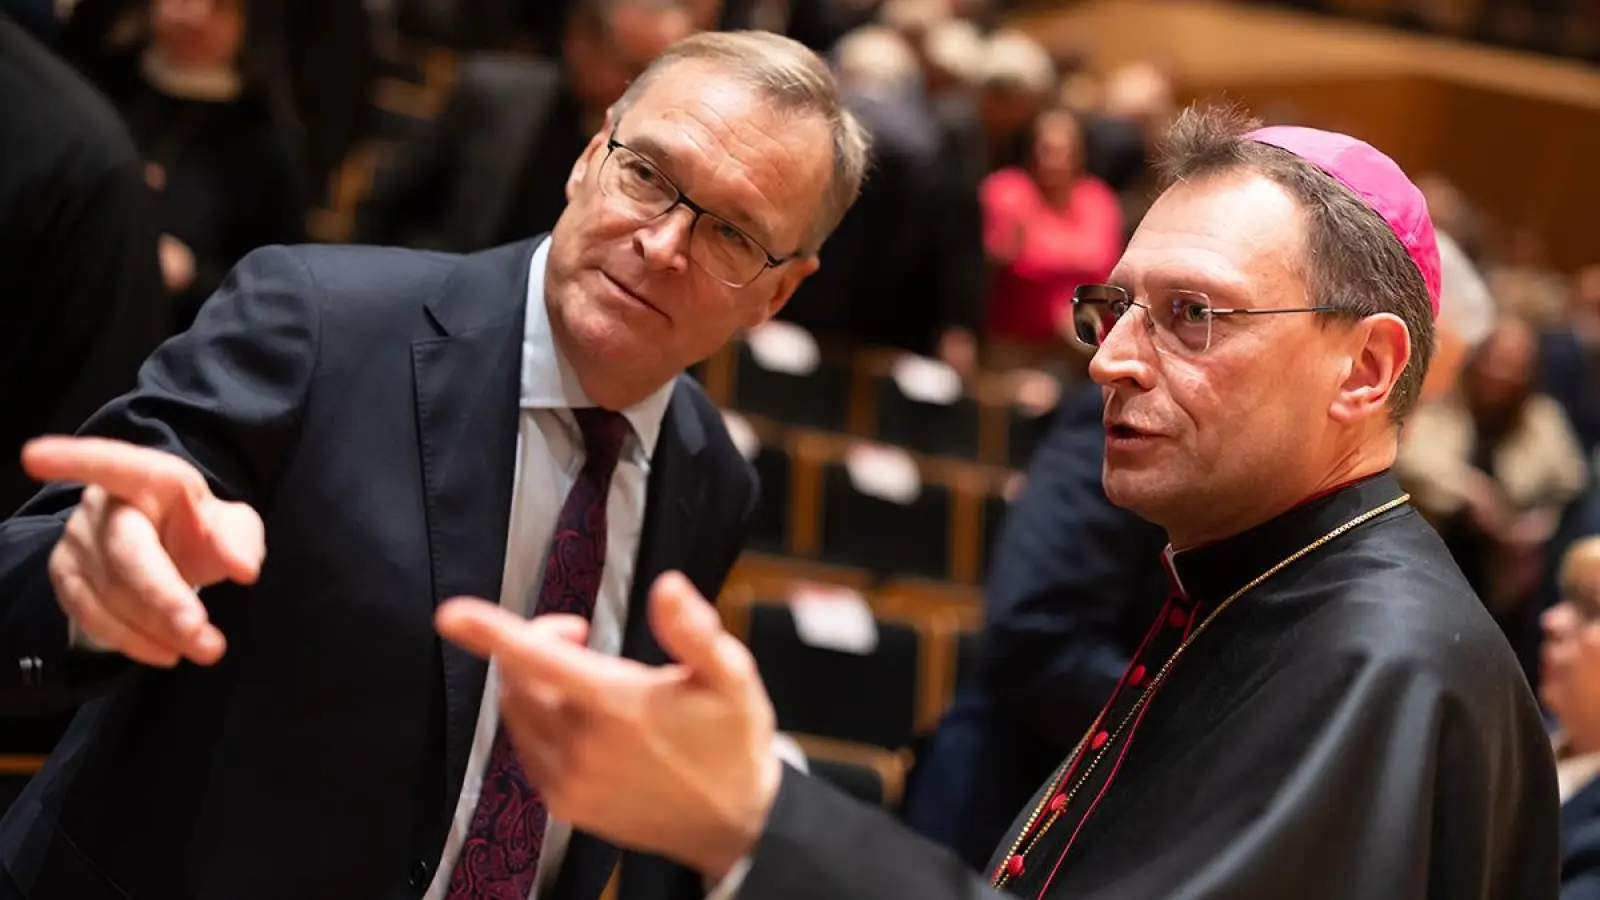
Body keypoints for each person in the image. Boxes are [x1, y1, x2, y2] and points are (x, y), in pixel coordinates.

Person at [435, 104, 1561, 899]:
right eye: (1114, 309)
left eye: (1193, 316)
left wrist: (750, 815)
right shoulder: (1258, 586)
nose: (1109, 360)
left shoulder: (1382, 664)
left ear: (1364, 370)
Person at [0, 30, 867, 900]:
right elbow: (32, 576)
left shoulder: (712, 479)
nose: (664, 243)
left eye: (732, 235)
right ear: (590, 155)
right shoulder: (317, 319)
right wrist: (88, 587)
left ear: (779, 292)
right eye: (646, 174)